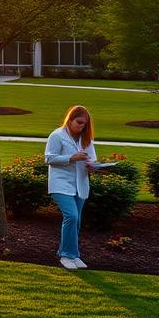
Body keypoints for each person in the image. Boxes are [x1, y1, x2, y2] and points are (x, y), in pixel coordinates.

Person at [44, 105, 98, 270]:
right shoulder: (57, 135)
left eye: (84, 124)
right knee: (71, 216)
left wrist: (93, 166)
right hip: (61, 184)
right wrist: (71, 157)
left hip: (80, 183)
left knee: (77, 220)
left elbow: (92, 159)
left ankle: (72, 254)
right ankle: (67, 256)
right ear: (70, 119)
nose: (81, 126)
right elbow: (49, 158)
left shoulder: (86, 138)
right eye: (79, 122)